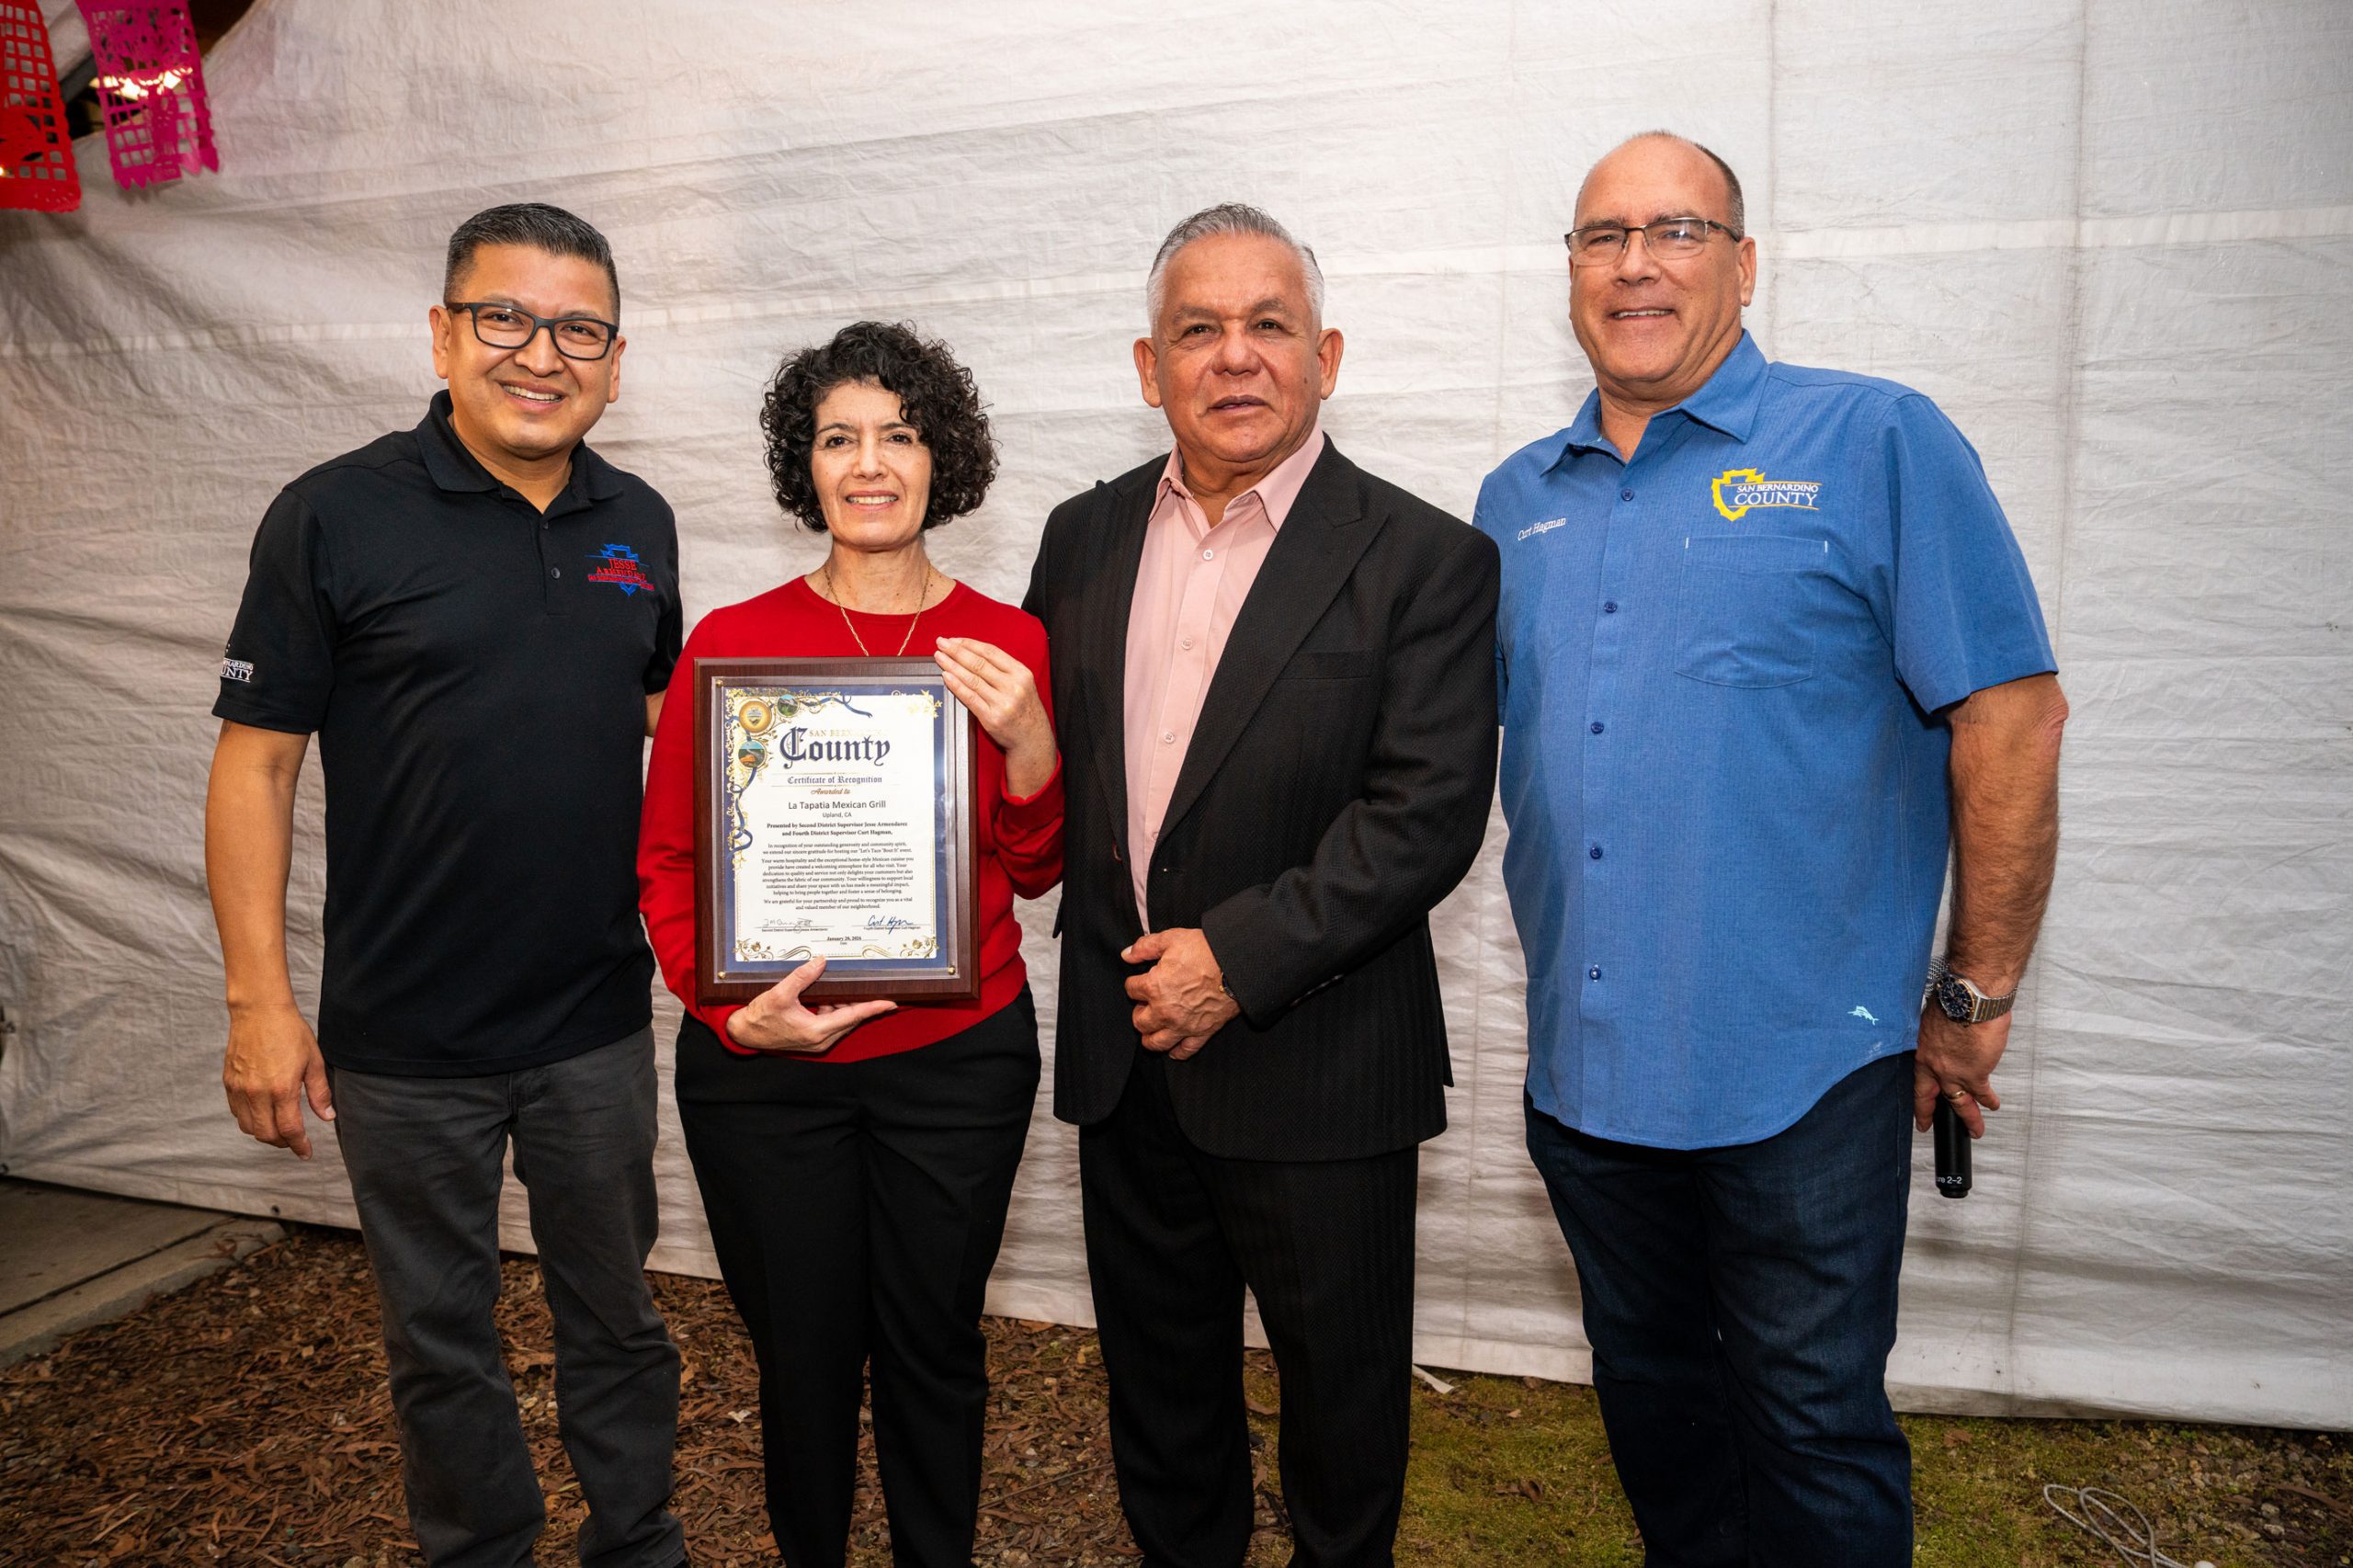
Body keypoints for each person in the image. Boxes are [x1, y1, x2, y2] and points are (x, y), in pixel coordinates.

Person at [1476, 131, 2069, 1564]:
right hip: (1590, 1074)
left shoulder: (1872, 441)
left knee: (1810, 1425)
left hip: (1805, 1070)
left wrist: (1974, 994)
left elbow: (2013, 715)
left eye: (1675, 230)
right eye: (1601, 234)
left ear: (1744, 266)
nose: (1635, 262)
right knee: (1660, 1413)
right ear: (1567, 272)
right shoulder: (1514, 503)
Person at [205, 203, 688, 1568]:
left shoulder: (636, 520)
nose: (542, 353)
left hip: (594, 1019)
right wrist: (259, 1000)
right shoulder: (332, 515)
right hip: (404, 1038)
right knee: (439, 1336)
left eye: (577, 328)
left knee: (619, 1316)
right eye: (506, 318)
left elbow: (672, 732)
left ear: (613, 356)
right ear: (443, 332)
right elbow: (255, 771)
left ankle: (637, 1540)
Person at [1022, 204, 1499, 1568]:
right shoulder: (1081, 537)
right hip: (1129, 1063)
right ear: (1147, 364)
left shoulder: (1425, 558)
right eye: (1198, 330)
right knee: (1163, 1408)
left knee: (1341, 1421)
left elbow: (1425, 816)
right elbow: (1067, 777)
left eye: (1268, 325)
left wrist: (1233, 959)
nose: (1235, 358)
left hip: (1319, 1056)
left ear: (1327, 351)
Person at [636, 320, 1063, 1568]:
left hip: (959, 1057)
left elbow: (1033, 867)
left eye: (899, 433)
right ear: (804, 465)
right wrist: (725, 1015)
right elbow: (668, 865)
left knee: (936, 1341)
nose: (869, 463)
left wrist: (1032, 741)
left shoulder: (1006, 645)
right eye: (838, 438)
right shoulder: (729, 641)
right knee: (803, 1356)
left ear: (943, 460)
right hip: (768, 1072)